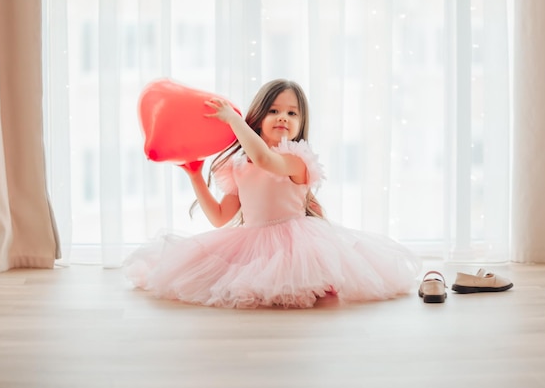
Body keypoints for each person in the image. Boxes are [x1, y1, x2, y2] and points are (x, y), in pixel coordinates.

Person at [124, 79, 421, 308]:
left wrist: (233, 120)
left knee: (293, 281)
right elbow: (219, 218)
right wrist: (195, 176)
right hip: (252, 240)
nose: (283, 117)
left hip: (295, 241)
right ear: (259, 117)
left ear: (301, 122)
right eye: (274, 110)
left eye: (292, 113)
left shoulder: (296, 159)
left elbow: (266, 159)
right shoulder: (238, 166)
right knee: (231, 281)